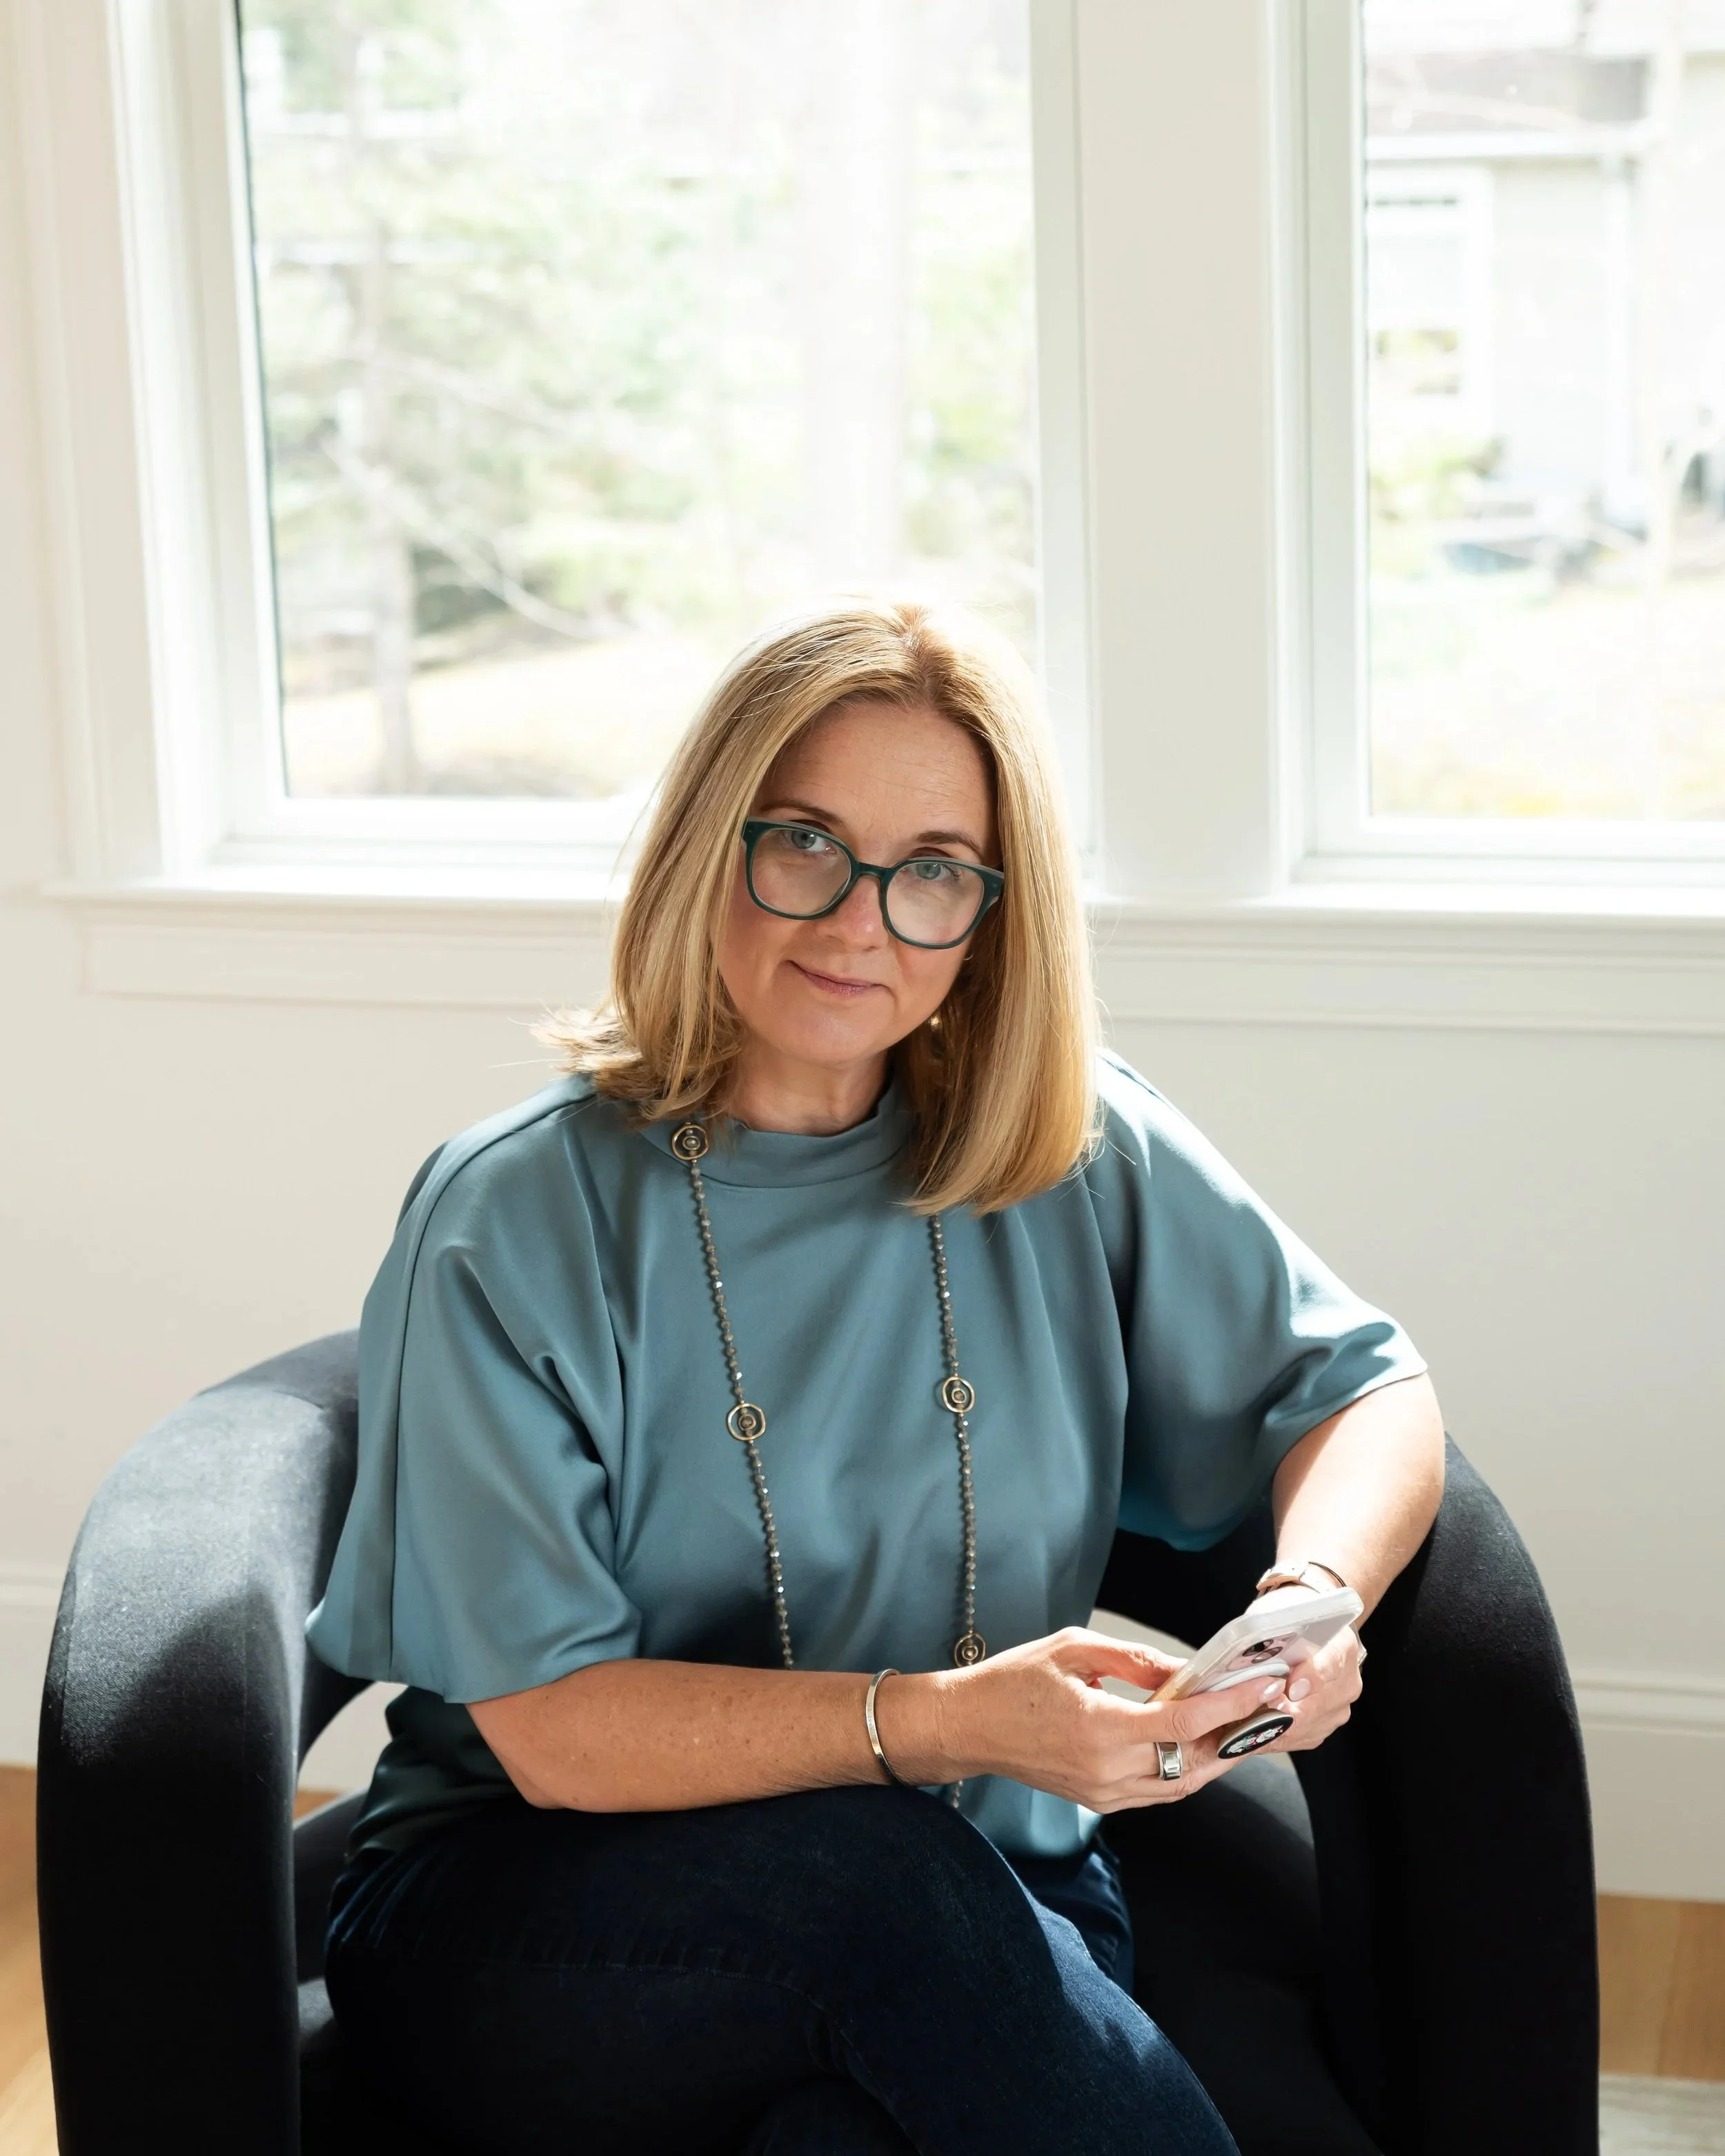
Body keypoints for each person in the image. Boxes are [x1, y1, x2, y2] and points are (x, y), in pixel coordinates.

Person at [308, 599, 1444, 2156]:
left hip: (992, 1900)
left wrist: (1312, 1601)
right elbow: (555, 1733)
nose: (860, 921)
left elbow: (1363, 1389)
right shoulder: (510, 1212)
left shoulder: (1067, 1145)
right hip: (536, 1914)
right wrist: (953, 1723)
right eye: (803, 843)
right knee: (880, 1880)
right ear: (713, 843)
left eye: (931, 872)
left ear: (987, 912)